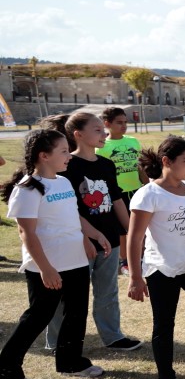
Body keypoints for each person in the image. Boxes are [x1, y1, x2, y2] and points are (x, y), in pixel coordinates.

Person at [0, 129, 109, 379]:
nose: (68, 156)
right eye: (63, 151)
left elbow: (73, 216)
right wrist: (46, 269)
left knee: (76, 313)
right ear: (44, 156)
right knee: (38, 317)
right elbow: (26, 232)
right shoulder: (27, 189)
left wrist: (93, 234)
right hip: (46, 267)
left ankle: (71, 362)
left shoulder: (63, 182)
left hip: (75, 262)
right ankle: (7, 369)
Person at [42, 112, 142, 354]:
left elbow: (117, 200)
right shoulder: (66, 166)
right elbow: (67, 209)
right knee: (68, 295)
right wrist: (85, 237)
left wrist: (133, 232)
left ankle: (113, 336)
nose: (104, 133)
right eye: (97, 130)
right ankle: (56, 342)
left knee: (108, 291)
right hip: (78, 241)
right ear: (78, 134)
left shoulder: (106, 164)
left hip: (110, 238)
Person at [126, 136, 185, 379]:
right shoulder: (148, 194)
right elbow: (135, 238)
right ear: (167, 161)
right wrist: (135, 277)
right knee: (164, 325)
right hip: (161, 269)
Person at [97, 106, 146, 275]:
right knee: (122, 230)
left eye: (125, 122)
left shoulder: (133, 141)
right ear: (107, 124)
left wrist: (147, 184)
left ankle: (140, 257)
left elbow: (140, 167)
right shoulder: (102, 146)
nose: (124, 126)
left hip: (136, 190)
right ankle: (124, 260)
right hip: (117, 194)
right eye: (119, 122)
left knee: (140, 226)